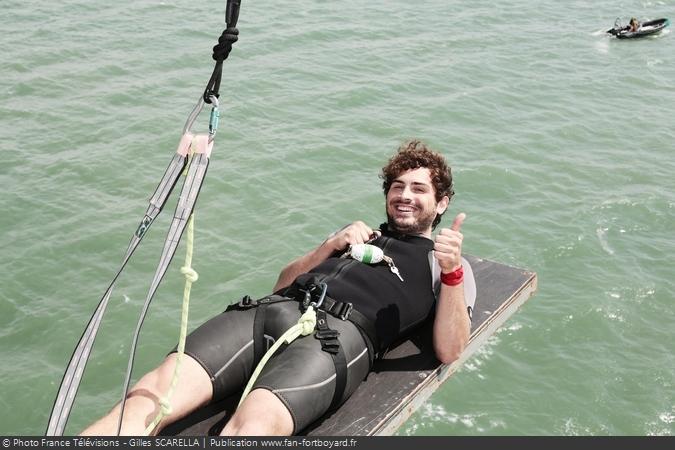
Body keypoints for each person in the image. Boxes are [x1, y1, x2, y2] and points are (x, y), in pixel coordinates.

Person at [81, 139, 472, 436]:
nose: (405, 196)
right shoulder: (358, 235)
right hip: (268, 311)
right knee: (151, 395)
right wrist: (330, 245)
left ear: (441, 203)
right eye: (398, 186)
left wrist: (451, 270)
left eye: (419, 189)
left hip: (334, 340)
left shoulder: (447, 264)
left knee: (251, 427)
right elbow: (282, 283)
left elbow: (451, 349)